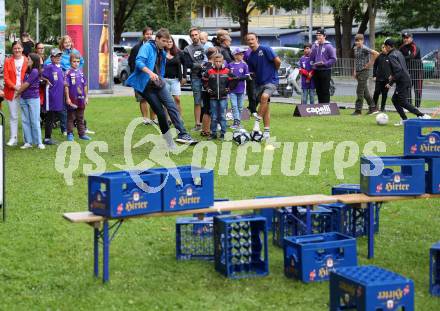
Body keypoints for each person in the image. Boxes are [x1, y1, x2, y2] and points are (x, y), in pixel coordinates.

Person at [126, 28, 196, 148]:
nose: (165, 44)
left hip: (159, 83)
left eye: (167, 41)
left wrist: (160, 78)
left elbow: (160, 68)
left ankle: (183, 134)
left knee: (172, 106)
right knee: (160, 112)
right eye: (163, 41)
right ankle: (169, 141)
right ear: (157, 39)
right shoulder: (147, 47)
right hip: (146, 86)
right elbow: (139, 62)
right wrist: (150, 73)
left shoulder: (162, 51)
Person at [383, 38, 430, 126]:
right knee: (395, 100)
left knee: (402, 101)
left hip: (402, 80)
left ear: (388, 46)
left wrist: (390, 83)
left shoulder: (391, 55)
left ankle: (422, 115)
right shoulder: (398, 52)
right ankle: (404, 119)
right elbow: (399, 68)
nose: (384, 48)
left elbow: (398, 70)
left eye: (384, 46)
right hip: (405, 78)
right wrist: (393, 77)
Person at [246, 33, 281, 140]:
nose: (251, 41)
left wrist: (274, 71)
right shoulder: (250, 56)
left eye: (252, 39)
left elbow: (278, 61)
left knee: (264, 98)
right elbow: (253, 72)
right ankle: (266, 132)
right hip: (259, 83)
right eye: (248, 40)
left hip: (271, 81)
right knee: (265, 107)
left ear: (257, 39)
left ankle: (257, 123)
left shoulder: (265, 49)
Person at [15, 53, 45, 149]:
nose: (27, 60)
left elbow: (26, 84)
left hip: (33, 99)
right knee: (25, 120)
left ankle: (39, 142)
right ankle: (28, 142)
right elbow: (23, 83)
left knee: (35, 121)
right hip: (24, 98)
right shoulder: (28, 71)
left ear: (33, 61)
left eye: (28, 59)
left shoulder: (35, 71)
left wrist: (17, 93)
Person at [128, 26, 156, 125]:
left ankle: (153, 119)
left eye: (150, 34)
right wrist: (135, 74)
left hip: (152, 77)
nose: (149, 36)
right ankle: (145, 119)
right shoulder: (136, 47)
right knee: (142, 98)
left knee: (153, 98)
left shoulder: (154, 47)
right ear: (143, 35)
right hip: (140, 77)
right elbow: (131, 62)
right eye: (147, 34)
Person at [3, 41, 28, 146]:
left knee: (25, 116)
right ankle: (14, 138)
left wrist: (21, 88)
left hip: (25, 92)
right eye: (15, 48)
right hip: (11, 91)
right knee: (13, 116)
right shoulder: (8, 61)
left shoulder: (27, 60)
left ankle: (27, 139)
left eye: (19, 48)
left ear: (22, 49)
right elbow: (6, 77)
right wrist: (14, 87)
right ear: (12, 50)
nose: (17, 50)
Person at [203, 53, 233, 140]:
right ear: (213, 61)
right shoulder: (209, 71)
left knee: (223, 116)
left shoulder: (227, 71)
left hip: (223, 98)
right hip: (213, 98)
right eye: (216, 61)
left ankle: (223, 133)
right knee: (214, 116)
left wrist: (229, 88)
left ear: (223, 61)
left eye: (220, 61)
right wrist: (207, 89)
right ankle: (213, 133)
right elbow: (204, 81)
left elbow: (234, 80)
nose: (218, 63)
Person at [183, 27, 206, 131]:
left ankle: (209, 123)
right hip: (195, 77)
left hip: (208, 77)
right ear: (190, 37)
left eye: (196, 34)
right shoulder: (187, 49)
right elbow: (188, 64)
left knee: (208, 100)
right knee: (197, 101)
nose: (194, 37)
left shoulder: (206, 46)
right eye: (192, 35)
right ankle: (197, 124)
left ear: (199, 34)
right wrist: (201, 65)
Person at [41, 48, 65, 145]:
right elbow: (39, 75)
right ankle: (47, 138)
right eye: (56, 56)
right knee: (50, 117)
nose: (58, 57)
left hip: (58, 97)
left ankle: (65, 131)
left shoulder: (59, 67)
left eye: (59, 56)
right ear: (51, 57)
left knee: (55, 115)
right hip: (51, 96)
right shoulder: (49, 67)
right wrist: (45, 80)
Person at [352, 34, 379, 115]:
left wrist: (370, 63)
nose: (357, 42)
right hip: (358, 71)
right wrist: (354, 71)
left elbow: (376, 53)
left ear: (362, 40)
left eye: (359, 41)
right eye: (356, 41)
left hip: (364, 71)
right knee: (365, 92)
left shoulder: (364, 48)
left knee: (359, 91)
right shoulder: (355, 48)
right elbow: (355, 60)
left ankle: (358, 110)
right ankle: (373, 107)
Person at [64, 54, 90, 141]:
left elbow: (85, 85)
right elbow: (66, 86)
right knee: (71, 117)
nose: (76, 63)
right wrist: (67, 98)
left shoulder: (81, 72)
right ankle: (70, 133)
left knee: (80, 117)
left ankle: (82, 134)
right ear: (70, 62)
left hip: (81, 99)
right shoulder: (68, 73)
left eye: (78, 62)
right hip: (72, 99)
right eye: (74, 61)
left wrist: (86, 97)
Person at [310, 29, 337, 104]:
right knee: (318, 90)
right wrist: (314, 47)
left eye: (320, 35)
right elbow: (311, 58)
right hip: (316, 70)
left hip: (325, 70)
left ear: (324, 36)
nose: (318, 37)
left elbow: (334, 59)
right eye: (317, 35)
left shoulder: (329, 46)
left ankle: (326, 106)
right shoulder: (314, 46)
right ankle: (320, 106)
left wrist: (324, 63)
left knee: (325, 89)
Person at [400, 32, 423, 108]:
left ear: (411, 38)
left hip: (417, 71)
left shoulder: (415, 46)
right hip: (408, 71)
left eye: (407, 37)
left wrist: (402, 58)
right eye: (404, 38)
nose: (405, 39)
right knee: (407, 88)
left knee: (418, 89)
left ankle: (417, 106)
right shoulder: (402, 47)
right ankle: (409, 106)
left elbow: (412, 55)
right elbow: (398, 56)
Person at [228, 47, 249, 129]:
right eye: (240, 54)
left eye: (242, 54)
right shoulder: (230, 65)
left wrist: (238, 78)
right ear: (235, 55)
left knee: (240, 106)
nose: (242, 55)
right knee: (234, 106)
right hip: (232, 89)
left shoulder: (244, 65)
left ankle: (238, 121)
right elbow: (228, 76)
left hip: (241, 89)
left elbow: (247, 77)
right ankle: (236, 121)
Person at [164, 37, 186, 115]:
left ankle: (179, 118)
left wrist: (184, 76)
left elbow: (185, 64)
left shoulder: (179, 52)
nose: (169, 43)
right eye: (167, 42)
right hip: (164, 80)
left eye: (170, 42)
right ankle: (167, 119)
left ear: (173, 42)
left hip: (175, 80)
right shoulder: (161, 53)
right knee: (166, 100)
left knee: (177, 99)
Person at [200, 48, 217, 137]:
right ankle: (206, 130)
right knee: (208, 111)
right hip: (209, 90)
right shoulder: (211, 67)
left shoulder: (204, 65)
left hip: (204, 90)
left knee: (206, 110)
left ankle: (204, 129)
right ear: (213, 55)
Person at [373, 44, 391, 112]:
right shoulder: (379, 56)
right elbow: (375, 66)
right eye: (382, 47)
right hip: (379, 78)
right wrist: (374, 75)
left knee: (384, 93)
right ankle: (373, 107)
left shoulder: (390, 56)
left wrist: (391, 76)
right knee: (376, 92)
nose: (383, 49)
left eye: (384, 47)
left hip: (387, 79)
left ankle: (382, 108)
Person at [244, 48, 257, 114]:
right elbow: (244, 62)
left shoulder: (262, 51)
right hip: (251, 75)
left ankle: (252, 108)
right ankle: (253, 109)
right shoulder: (247, 52)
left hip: (260, 75)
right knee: (251, 93)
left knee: (258, 93)